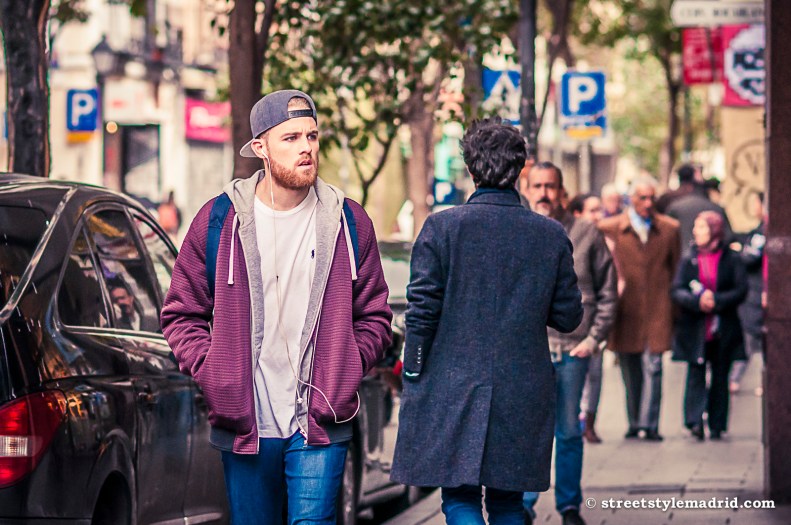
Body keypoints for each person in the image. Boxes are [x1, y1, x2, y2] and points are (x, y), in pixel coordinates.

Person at [160, 89, 392, 525]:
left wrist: (347, 363)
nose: (306, 147)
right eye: (290, 138)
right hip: (245, 421)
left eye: (312, 135)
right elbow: (181, 312)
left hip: (319, 421)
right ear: (261, 148)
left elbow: (375, 313)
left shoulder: (348, 221)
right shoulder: (219, 221)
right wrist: (215, 371)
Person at [391, 118, 583, 525]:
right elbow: (568, 316)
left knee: (459, 497)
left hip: (450, 383)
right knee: (508, 502)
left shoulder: (441, 228)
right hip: (524, 384)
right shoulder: (549, 235)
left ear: (472, 168)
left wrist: (413, 369)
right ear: (520, 169)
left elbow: (421, 311)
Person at [522, 166, 617, 525]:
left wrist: (593, 339)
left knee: (569, 432)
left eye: (551, 186)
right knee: (529, 430)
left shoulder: (587, 233)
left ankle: (569, 506)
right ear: (527, 189)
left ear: (563, 191)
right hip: (530, 353)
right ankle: (526, 504)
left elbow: (608, 292)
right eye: (538, 186)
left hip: (573, 350)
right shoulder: (521, 231)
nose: (544, 193)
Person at [598, 176, 680, 441]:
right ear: (630, 199)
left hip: (658, 307)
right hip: (626, 310)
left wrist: (675, 309)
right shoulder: (610, 228)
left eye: (652, 197)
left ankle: (650, 424)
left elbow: (676, 268)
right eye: (642, 198)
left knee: (654, 366)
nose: (648, 203)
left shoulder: (669, 229)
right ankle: (634, 422)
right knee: (630, 367)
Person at [671, 211, 747, 440]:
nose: (696, 231)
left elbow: (741, 289)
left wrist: (718, 301)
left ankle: (717, 423)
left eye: (702, 227)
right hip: (696, 327)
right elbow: (677, 289)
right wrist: (697, 301)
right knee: (696, 372)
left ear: (714, 231)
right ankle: (694, 421)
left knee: (720, 375)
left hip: (723, 327)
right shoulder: (689, 258)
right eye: (696, 227)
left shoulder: (731, 258)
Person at [568, 193, 609, 444]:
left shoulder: (603, 239)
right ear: (578, 213)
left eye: (599, 210)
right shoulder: (569, 238)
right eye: (592, 210)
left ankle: (589, 424)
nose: (597, 216)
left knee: (594, 376)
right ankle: (578, 422)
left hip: (593, 322)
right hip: (568, 327)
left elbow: (612, 283)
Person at [729, 192, 766, 394]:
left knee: (751, 336)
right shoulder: (758, 231)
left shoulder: (763, 232)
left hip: (757, 290)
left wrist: (739, 250)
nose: (752, 207)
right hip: (756, 290)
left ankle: (736, 378)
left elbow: (750, 257)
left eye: (755, 203)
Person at [664, 165, 733, 260]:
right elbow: (728, 237)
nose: (695, 231)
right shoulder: (714, 207)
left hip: (679, 259)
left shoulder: (669, 200)